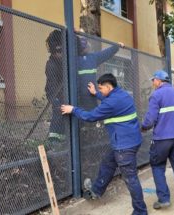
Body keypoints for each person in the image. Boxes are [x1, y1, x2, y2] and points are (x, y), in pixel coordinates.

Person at [61, 73, 148, 215]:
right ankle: (97, 190)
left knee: (131, 178)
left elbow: (90, 116)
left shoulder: (111, 103)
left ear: (108, 87)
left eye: (101, 88)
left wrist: (73, 110)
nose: (100, 91)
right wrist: (96, 94)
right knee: (108, 163)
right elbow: (110, 100)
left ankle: (140, 211)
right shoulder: (123, 95)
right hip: (129, 141)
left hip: (123, 146)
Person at [141, 70, 174, 214]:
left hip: (162, 139)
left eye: (153, 80)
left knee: (158, 166)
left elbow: (150, 119)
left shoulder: (157, 95)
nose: (153, 83)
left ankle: (164, 199)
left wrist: (143, 127)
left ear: (158, 80)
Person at [45, 30, 65, 142]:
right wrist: (56, 99)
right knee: (58, 112)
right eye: (59, 51)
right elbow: (52, 85)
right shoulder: (51, 64)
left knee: (64, 116)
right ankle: (53, 141)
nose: (60, 54)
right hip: (55, 93)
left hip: (62, 93)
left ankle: (62, 139)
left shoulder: (63, 62)